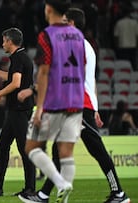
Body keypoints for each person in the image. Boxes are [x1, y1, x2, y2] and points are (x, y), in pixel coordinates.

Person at [18, 8, 131, 203]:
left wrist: (33, 90)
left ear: (70, 24)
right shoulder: (85, 45)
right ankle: (44, 195)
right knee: (60, 150)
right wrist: (94, 107)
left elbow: (64, 76)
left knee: (96, 149)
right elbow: (90, 80)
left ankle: (119, 193)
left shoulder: (75, 44)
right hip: (82, 102)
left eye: (64, 21)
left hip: (77, 103)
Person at [19, 1, 85, 202]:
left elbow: (44, 71)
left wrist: (39, 108)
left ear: (48, 9)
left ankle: (60, 183)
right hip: (76, 101)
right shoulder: (79, 35)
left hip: (55, 101)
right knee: (66, 155)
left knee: (31, 147)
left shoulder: (47, 35)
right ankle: (63, 197)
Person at [0, 27, 36, 197]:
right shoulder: (21, 57)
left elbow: (15, 83)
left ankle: (30, 188)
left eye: (4, 41)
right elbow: (12, 77)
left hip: (19, 109)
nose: (2, 44)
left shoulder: (17, 57)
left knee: (23, 147)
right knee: (3, 145)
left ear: (10, 41)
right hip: (16, 109)